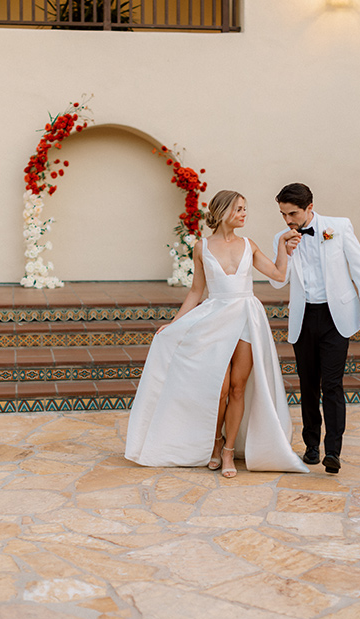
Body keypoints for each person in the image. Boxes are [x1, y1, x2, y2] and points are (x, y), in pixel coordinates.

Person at [125, 190, 308, 477]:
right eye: (239, 209)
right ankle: (215, 441)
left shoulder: (249, 244)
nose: (245, 214)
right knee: (219, 390)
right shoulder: (202, 247)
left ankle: (227, 452)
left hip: (247, 318)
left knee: (238, 387)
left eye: (245, 208)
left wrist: (284, 247)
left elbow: (278, 275)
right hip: (214, 320)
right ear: (223, 212)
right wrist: (174, 324)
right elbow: (196, 291)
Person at [270, 183, 360, 474]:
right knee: (308, 385)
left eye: (292, 213)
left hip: (336, 316)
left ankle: (333, 451)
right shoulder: (282, 238)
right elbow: (277, 281)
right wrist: (286, 251)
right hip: (303, 318)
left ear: (309, 208)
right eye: (283, 214)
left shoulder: (338, 227)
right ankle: (311, 446)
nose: (288, 220)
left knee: (332, 384)